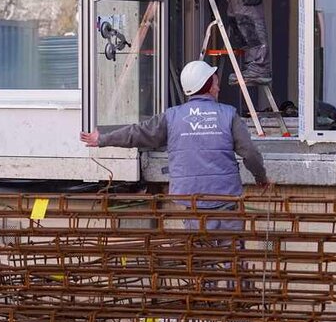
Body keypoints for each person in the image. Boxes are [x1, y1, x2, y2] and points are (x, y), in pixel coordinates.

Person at [80, 59, 269, 230]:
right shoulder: (229, 115)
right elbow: (250, 153)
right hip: (225, 198)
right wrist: (261, 177)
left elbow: (138, 133)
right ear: (209, 86)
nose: (218, 88)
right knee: (232, 257)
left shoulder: (172, 117)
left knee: (196, 256)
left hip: (190, 201)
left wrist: (102, 139)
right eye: (216, 83)